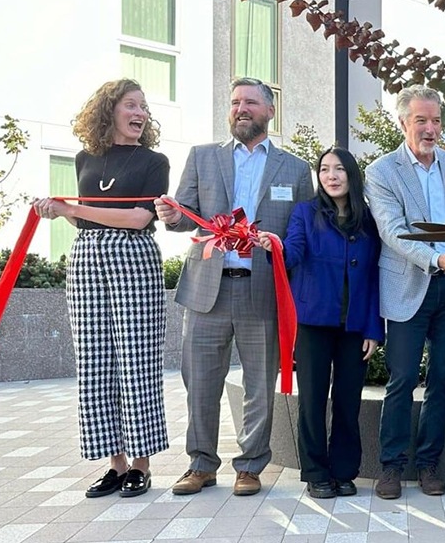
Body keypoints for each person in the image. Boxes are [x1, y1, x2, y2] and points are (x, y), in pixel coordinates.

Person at [156, 78, 314, 497]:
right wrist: (172, 217)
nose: (240, 108)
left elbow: (300, 234)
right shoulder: (202, 157)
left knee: (260, 384)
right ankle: (201, 464)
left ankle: (249, 466)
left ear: (270, 111)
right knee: (201, 383)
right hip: (207, 289)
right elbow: (186, 214)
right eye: (234, 102)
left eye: (250, 102)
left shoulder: (296, 170)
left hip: (262, 289)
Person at [33, 78, 170, 499]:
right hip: (87, 256)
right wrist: (59, 213)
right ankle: (115, 464)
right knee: (93, 359)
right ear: (110, 109)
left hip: (133, 256)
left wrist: (72, 207)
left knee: (136, 358)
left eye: (144, 107)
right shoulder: (84, 159)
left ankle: (141, 466)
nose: (140, 113)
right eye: (132, 105)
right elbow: (85, 218)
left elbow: (138, 219)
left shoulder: (154, 161)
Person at [366, 85, 445, 500]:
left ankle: (429, 464)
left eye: (435, 121)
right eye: (421, 121)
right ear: (402, 123)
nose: (430, 129)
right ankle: (391, 467)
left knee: (442, 380)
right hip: (408, 284)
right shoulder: (381, 171)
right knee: (402, 379)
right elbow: (393, 232)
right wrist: (436, 259)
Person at [256, 147, 383, 499]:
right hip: (312, 322)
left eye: (339, 169)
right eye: (324, 169)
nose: (331, 176)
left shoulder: (368, 220)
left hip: (355, 325)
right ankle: (315, 472)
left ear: (351, 175)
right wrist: (275, 247)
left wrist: (374, 328)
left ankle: (344, 471)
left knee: (348, 401)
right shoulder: (305, 213)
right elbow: (293, 251)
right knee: (312, 400)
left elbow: (375, 277)